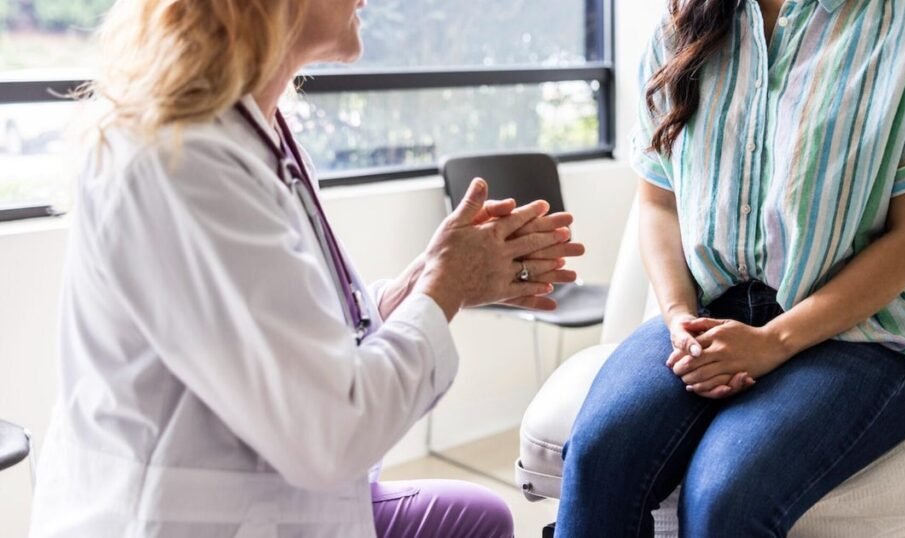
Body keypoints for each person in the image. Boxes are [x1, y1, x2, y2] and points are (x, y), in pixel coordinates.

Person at [28, 0, 585, 536]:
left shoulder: (261, 135)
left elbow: (297, 330)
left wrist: (417, 286)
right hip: (181, 517)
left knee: (479, 516)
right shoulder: (183, 162)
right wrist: (445, 286)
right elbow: (332, 432)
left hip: (276, 498)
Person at [557, 0, 905, 536]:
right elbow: (658, 202)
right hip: (706, 315)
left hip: (861, 337)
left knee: (725, 497)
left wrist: (773, 342)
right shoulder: (680, 26)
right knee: (597, 458)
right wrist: (678, 317)